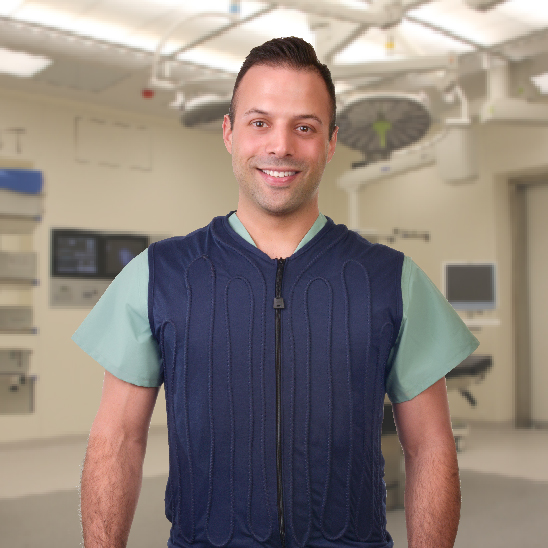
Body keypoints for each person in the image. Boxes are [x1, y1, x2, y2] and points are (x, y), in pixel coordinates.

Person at [73, 37, 479, 548]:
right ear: (229, 132)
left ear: (330, 142)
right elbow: (117, 440)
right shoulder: (160, 274)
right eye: (259, 122)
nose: (280, 146)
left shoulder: (391, 280)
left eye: (304, 127)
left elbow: (430, 448)